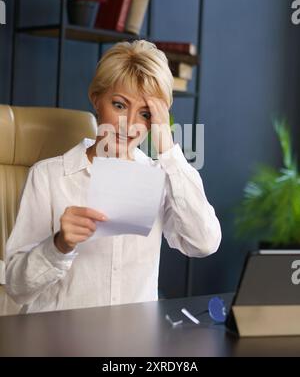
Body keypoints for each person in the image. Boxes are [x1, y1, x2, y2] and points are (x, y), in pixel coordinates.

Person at [5, 40, 221, 314]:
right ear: (97, 99)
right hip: (61, 342)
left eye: (144, 114)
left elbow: (204, 242)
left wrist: (167, 148)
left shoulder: (161, 177)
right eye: (119, 105)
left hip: (133, 344)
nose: (129, 125)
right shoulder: (49, 176)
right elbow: (16, 287)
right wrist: (59, 245)